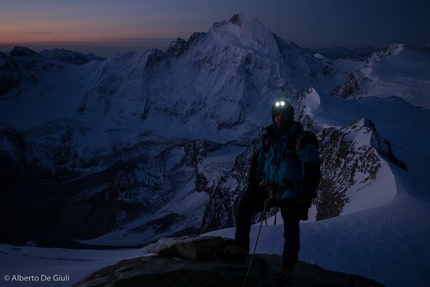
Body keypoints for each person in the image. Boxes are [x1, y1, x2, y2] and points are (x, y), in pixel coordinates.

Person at [224, 100, 321, 286]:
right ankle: (241, 247)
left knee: (291, 231)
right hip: (269, 189)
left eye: (283, 115)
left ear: (291, 116)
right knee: (243, 208)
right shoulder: (266, 139)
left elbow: (312, 174)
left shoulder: (302, 141)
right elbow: (257, 164)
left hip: (291, 193)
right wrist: (252, 188)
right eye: (277, 114)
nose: (279, 118)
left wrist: (304, 202)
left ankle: (287, 268)